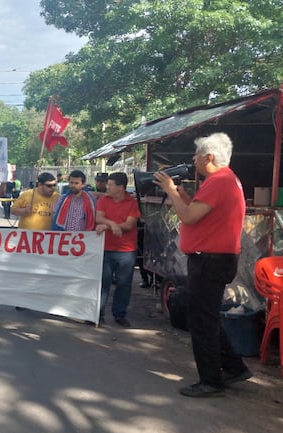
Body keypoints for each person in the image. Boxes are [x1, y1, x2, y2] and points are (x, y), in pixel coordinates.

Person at [153, 132, 252, 398]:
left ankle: (211, 381)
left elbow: (187, 217)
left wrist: (171, 191)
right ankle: (234, 367)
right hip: (214, 260)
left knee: (201, 323)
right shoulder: (224, 180)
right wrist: (183, 196)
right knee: (207, 318)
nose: (193, 160)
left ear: (208, 157)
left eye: (196, 155)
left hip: (210, 261)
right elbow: (197, 214)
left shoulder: (219, 182)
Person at [94, 172, 140, 327]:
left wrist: (107, 225)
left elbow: (129, 225)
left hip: (126, 250)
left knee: (124, 283)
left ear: (121, 187)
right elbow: (98, 218)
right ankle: (97, 314)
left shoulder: (132, 203)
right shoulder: (103, 200)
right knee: (103, 282)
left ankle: (119, 314)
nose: (107, 187)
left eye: (111, 184)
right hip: (105, 247)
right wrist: (112, 225)